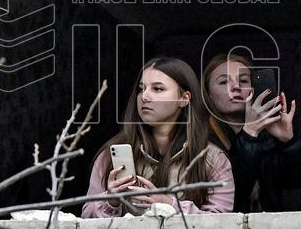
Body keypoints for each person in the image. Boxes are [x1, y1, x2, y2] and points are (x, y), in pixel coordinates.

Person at [82, 57, 235, 218]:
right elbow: (85, 221)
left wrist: (169, 205)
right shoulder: (111, 156)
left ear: (184, 99)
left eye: (158, 89)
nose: (144, 97)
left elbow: (222, 222)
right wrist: (110, 201)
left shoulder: (212, 158)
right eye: (141, 89)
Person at [202, 53, 301, 212]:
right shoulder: (199, 140)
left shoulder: (267, 139)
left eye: (243, 80)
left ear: (253, 89)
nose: (236, 87)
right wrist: (249, 133)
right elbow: (232, 193)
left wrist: (289, 141)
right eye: (223, 82)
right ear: (209, 95)